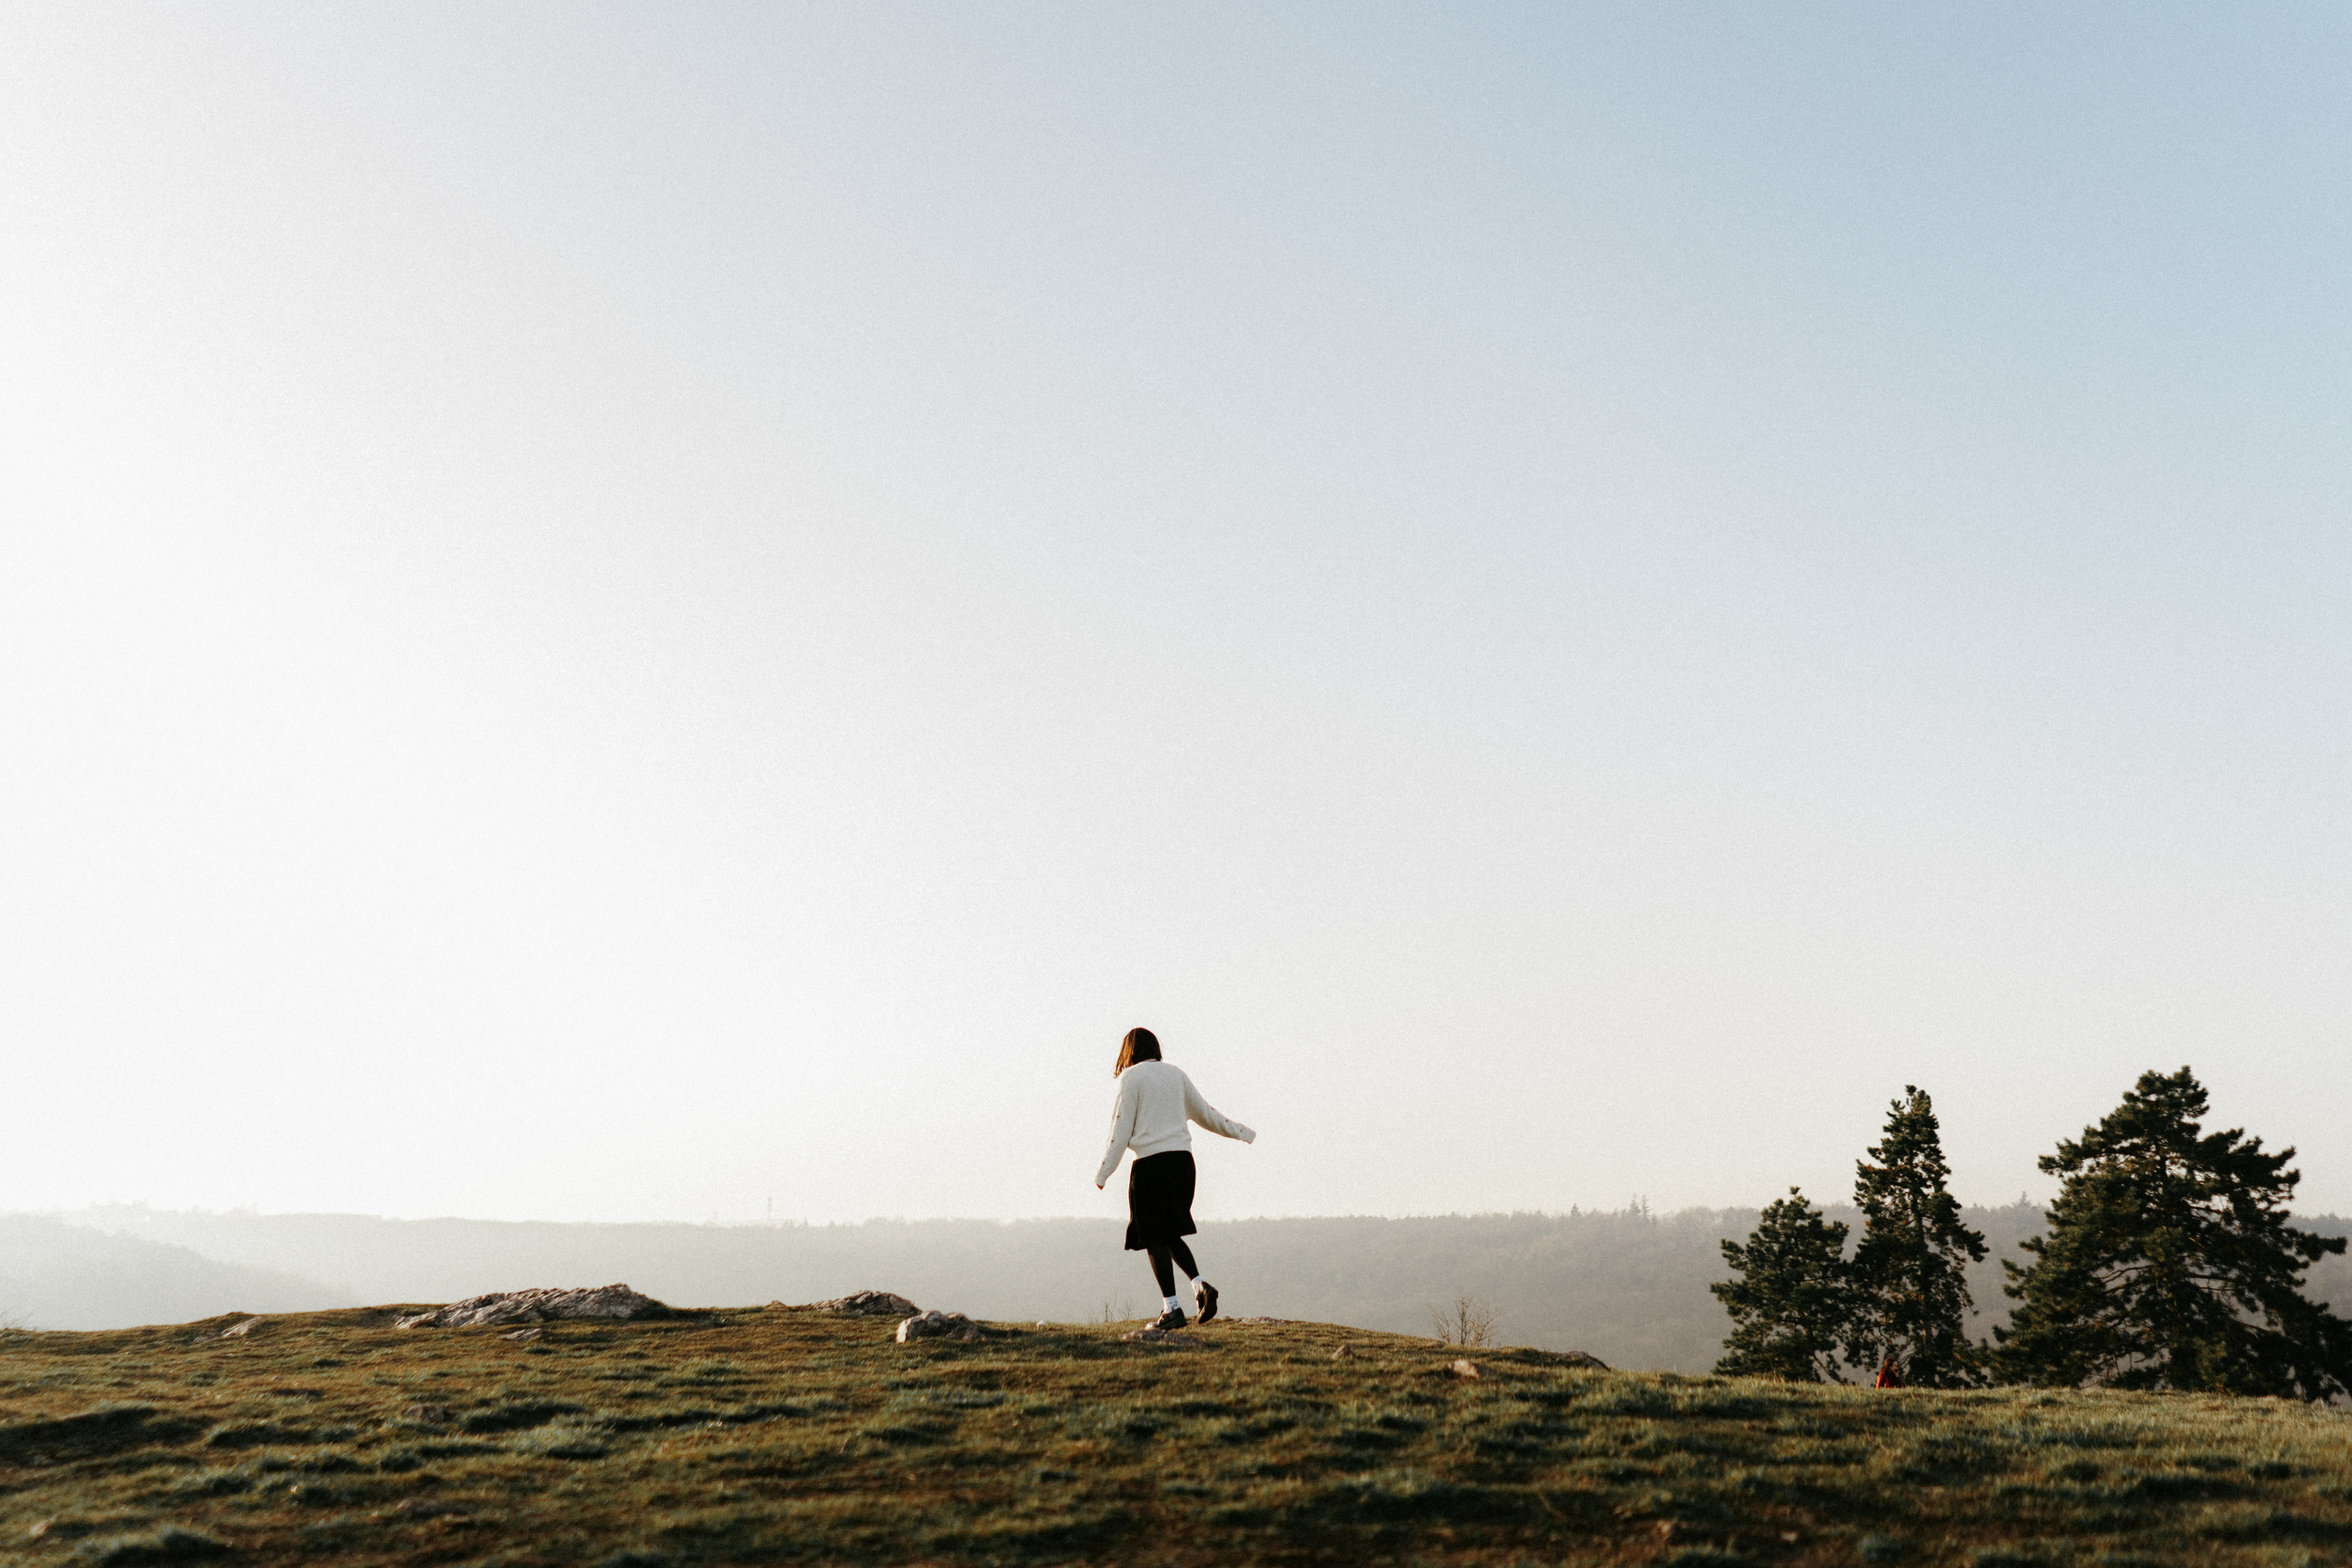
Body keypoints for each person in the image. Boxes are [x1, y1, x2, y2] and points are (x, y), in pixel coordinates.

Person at [1093, 1026, 1255, 1331]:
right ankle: (1199, 1286)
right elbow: (1206, 1114)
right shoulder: (1175, 1075)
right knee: (1168, 1233)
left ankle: (1172, 1309)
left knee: (1153, 1236)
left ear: (1128, 1053)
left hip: (1152, 1164)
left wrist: (1104, 1171)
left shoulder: (1132, 1078)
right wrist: (1242, 1132)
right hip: (1183, 1163)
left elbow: (1120, 1129)